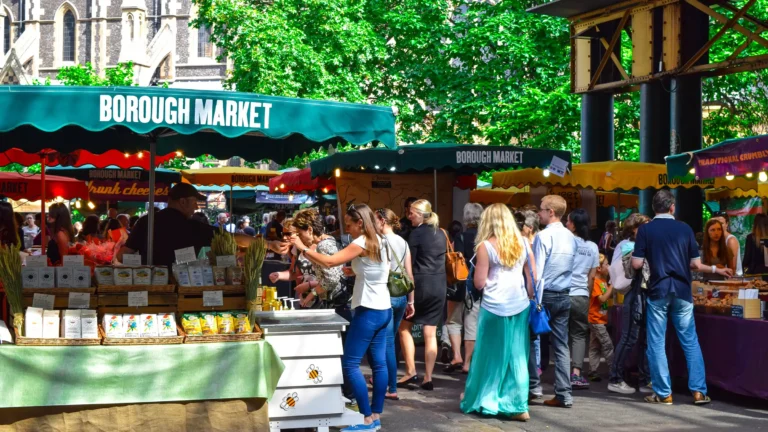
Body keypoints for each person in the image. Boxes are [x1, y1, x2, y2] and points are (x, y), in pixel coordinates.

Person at [290, 204, 390, 432]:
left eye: (349, 224)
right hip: (384, 308)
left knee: (350, 363)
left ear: (360, 223)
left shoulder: (361, 242)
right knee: (379, 364)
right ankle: (375, 416)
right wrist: (356, 271)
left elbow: (329, 261)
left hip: (368, 309)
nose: (347, 228)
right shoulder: (380, 240)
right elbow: (380, 269)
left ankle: (365, 419)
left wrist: (302, 249)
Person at [632, 190, 732, 405]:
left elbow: (636, 264)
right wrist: (715, 268)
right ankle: (698, 391)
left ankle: (663, 393)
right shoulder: (685, 228)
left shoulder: (645, 230)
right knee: (690, 341)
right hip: (683, 290)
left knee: (656, 343)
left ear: (653, 208)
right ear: (672, 207)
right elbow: (695, 264)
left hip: (658, 290)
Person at [460, 204, 534, 422]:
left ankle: (487, 400)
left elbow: (480, 283)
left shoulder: (485, 246)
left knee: (489, 356)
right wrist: (528, 297)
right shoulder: (522, 242)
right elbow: (532, 276)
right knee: (517, 356)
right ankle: (518, 405)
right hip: (520, 304)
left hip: (494, 306)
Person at [118, 184, 288, 267]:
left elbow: (123, 256)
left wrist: (148, 265)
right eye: (194, 202)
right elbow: (235, 238)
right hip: (184, 286)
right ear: (183, 201)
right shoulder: (191, 226)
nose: (196, 207)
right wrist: (269, 245)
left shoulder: (145, 221)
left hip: (149, 285)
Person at [531, 195, 576, 407]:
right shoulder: (570, 236)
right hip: (564, 294)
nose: (538, 213)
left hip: (546, 294)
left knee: (532, 339)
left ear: (551, 212)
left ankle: (532, 386)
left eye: (541, 209)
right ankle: (564, 393)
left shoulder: (543, 237)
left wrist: (534, 301)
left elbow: (537, 273)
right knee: (561, 346)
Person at [398, 199, 446, 391]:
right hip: (439, 285)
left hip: (420, 285)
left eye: (411, 213)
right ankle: (428, 376)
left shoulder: (416, 234)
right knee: (430, 333)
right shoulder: (441, 232)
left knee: (403, 328)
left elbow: (410, 265)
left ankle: (410, 371)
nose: (408, 217)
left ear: (420, 214)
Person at [608, 213, 652, 395]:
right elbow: (634, 267)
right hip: (634, 294)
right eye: (646, 226)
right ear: (635, 229)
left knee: (643, 339)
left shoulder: (627, 244)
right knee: (630, 337)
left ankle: (644, 379)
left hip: (640, 294)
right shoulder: (628, 245)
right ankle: (615, 378)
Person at [374, 208, 415, 401]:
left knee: (388, 342)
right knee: (391, 340)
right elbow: (409, 274)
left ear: (382, 221)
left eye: (375, 220)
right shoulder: (403, 242)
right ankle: (387, 381)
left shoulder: (381, 242)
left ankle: (391, 386)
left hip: (386, 295)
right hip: (401, 296)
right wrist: (411, 300)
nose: (373, 224)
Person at [443, 202, 482, 374]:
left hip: (459, 284)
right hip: (477, 285)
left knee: (453, 321)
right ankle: (468, 362)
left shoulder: (460, 237)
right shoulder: (485, 238)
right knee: (472, 323)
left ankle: (457, 356)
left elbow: (454, 262)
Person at [565, 208, 599, 389]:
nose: (566, 224)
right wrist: (587, 292)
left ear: (574, 224)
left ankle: (561, 373)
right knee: (579, 335)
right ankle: (576, 374)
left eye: (568, 221)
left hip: (562, 293)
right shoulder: (592, 247)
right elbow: (592, 277)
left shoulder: (566, 242)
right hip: (581, 295)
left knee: (561, 333)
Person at [290, 209, 344, 308]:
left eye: (300, 234)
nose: (299, 238)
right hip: (334, 301)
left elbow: (331, 280)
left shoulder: (323, 245)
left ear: (310, 230)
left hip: (335, 303)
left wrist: (312, 293)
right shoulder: (328, 240)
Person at [587, 254, 614, 382]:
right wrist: (612, 285)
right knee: (607, 345)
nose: (608, 267)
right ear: (598, 268)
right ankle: (614, 370)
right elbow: (602, 298)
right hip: (596, 319)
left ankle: (593, 370)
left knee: (595, 345)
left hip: (600, 319)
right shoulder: (596, 282)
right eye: (606, 264)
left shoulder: (603, 281)